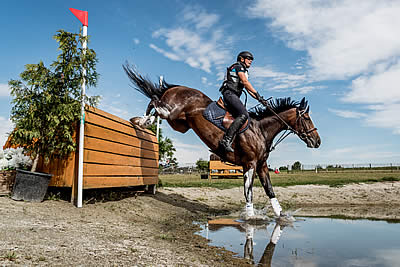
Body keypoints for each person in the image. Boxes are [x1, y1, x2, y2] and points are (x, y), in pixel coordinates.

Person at [219, 51, 265, 153]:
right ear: (241, 59)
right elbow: (245, 82)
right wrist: (257, 93)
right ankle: (226, 140)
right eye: (248, 59)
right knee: (244, 114)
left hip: (234, 95)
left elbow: (248, 89)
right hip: (230, 93)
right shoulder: (239, 67)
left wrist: (260, 99)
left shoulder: (243, 70)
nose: (251, 61)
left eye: (251, 60)